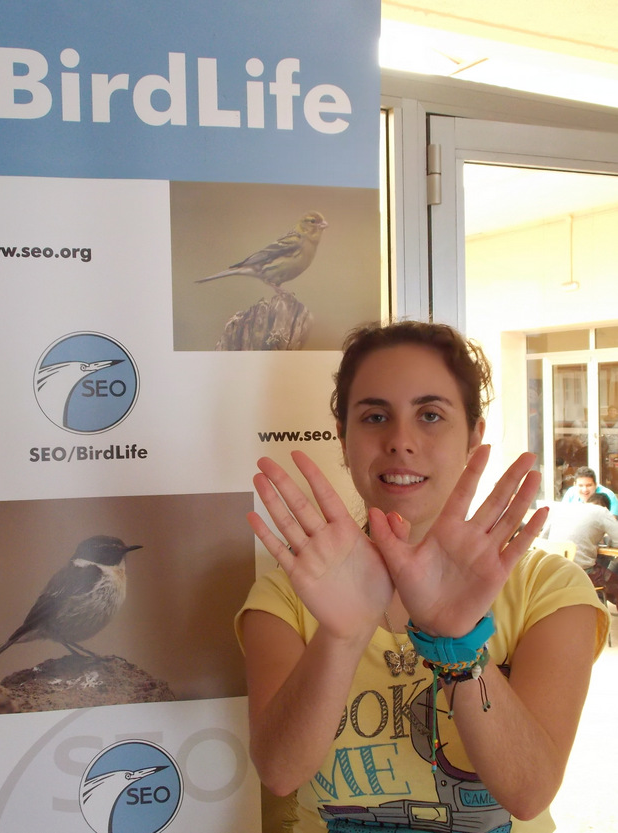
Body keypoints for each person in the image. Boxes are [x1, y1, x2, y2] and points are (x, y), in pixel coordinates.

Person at [236, 320, 609, 833]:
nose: (400, 441)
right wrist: (343, 635)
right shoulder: (288, 593)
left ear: (474, 437)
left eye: (430, 414)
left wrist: (454, 643)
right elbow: (279, 773)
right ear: (343, 437)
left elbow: (528, 791)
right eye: (374, 416)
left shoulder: (549, 588)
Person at [540, 491, 618, 571]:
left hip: (550, 567)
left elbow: (543, 538)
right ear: (606, 508)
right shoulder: (603, 511)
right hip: (579, 570)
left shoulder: (564, 509)